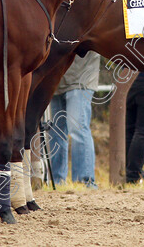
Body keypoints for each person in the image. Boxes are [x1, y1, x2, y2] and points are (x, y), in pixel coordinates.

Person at [46, 52, 99, 188]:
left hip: (81, 79)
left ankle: (84, 181)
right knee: (55, 132)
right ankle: (57, 181)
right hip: (56, 79)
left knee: (78, 129)